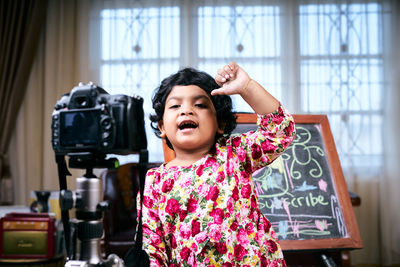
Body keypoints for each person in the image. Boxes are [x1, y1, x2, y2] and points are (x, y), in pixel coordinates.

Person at [140, 62, 296, 266]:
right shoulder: (154, 182)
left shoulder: (235, 153)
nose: (186, 111)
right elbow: (152, 247)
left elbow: (280, 131)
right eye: (176, 105)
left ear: (220, 124)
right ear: (162, 126)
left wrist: (247, 87)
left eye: (200, 104)